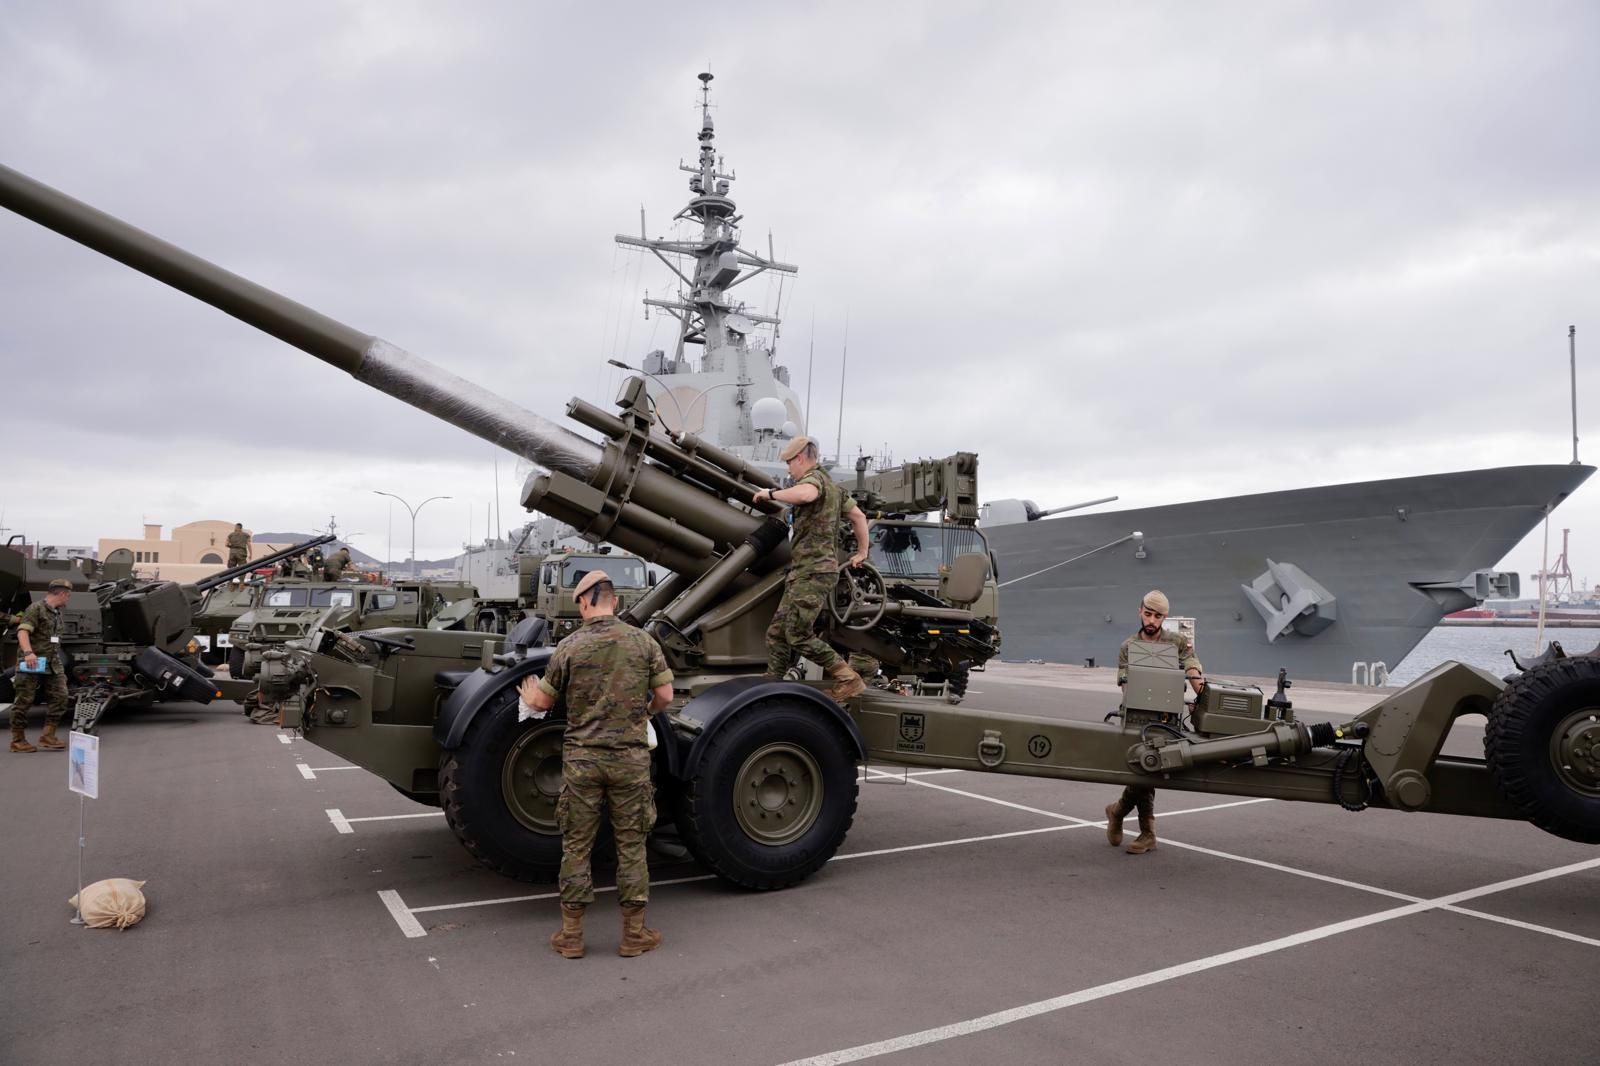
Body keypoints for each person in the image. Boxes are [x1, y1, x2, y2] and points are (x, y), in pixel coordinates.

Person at [517, 569, 674, 960]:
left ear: (583, 603)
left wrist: (531, 695)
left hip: (582, 763)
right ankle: (634, 935)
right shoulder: (643, 642)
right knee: (632, 846)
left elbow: (542, 703)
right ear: (614, 601)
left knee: (576, 847)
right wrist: (644, 715)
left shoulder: (569, 646)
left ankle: (571, 936)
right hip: (630, 762)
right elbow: (666, 696)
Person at [750, 436, 872, 702]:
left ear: (800, 458)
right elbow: (859, 516)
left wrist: (770, 494)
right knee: (777, 632)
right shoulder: (834, 488)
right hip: (805, 571)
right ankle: (772, 682)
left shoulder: (814, 481)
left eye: (789, 463)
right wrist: (862, 551)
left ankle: (848, 678)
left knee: (797, 634)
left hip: (814, 571)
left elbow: (806, 494)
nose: (789, 470)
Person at [1106, 589, 1202, 855]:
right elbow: (1125, 684)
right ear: (1140, 611)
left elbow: (1192, 666)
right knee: (1145, 769)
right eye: (1148, 614)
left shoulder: (1177, 642)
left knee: (1149, 769)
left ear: (1164, 618)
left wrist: (1202, 693)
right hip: (1137, 717)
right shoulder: (1128, 646)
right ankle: (1146, 832)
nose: (1151, 621)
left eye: (1157, 617)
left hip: (1166, 718)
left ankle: (1118, 812)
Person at [10, 578, 73, 753]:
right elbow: (22, 632)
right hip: (33, 661)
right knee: (24, 700)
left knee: (61, 696)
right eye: (68, 596)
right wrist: (28, 653)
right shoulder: (36, 608)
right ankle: (17, 740)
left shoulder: (57, 613)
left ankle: (48, 736)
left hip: (52, 662)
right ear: (62, 594)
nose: (68, 599)